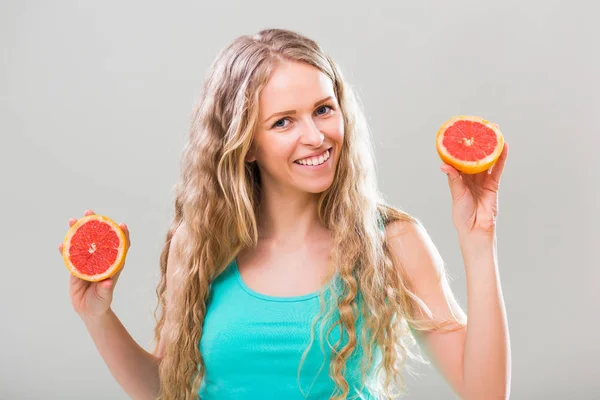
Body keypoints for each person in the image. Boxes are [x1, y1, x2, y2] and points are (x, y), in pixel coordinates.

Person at [58, 28, 510, 400]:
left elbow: (486, 395)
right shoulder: (199, 246)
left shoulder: (392, 241)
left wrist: (478, 242)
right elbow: (164, 388)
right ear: (246, 144)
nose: (315, 136)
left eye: (323, 110)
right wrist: (97, 317)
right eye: (283, 121)